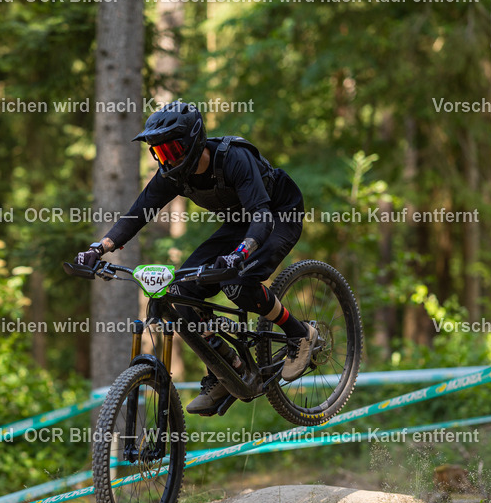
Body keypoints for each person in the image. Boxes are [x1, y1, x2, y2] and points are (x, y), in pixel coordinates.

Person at [75, 100, 315, 414]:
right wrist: (98, 249)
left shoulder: (234, 159)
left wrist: (241, 253)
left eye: (172, 150)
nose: (167, 159)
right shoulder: (173, 176)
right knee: (180, 292)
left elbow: (261, 216)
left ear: (193, 141)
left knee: (239, 284)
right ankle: (228, 369)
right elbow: (136, 215)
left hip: (277, 214)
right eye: (159, 153)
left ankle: (300, 333)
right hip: (240, 223)